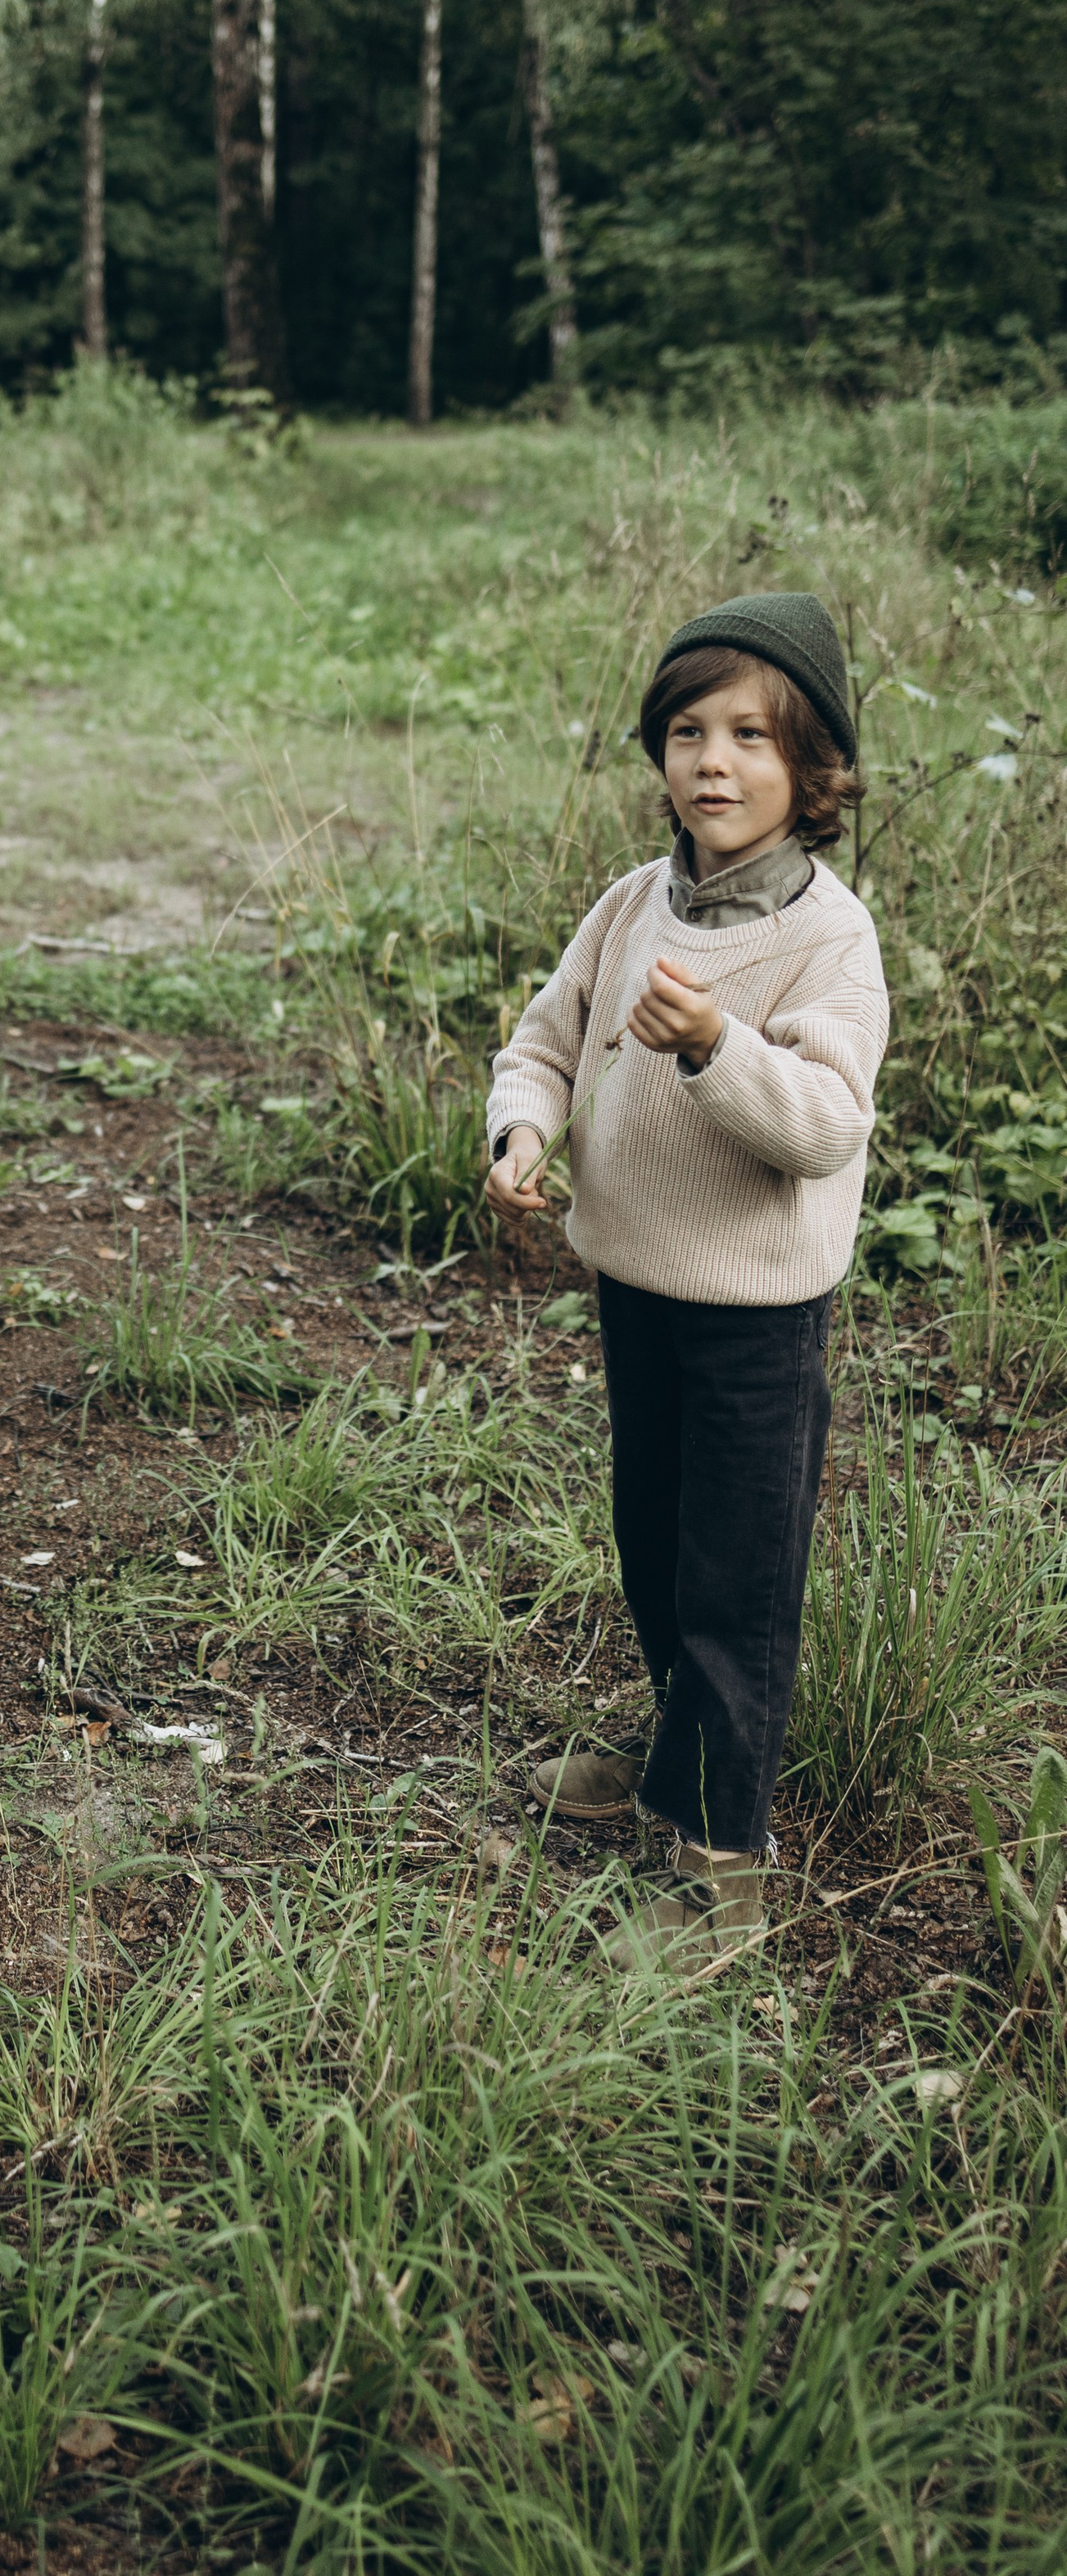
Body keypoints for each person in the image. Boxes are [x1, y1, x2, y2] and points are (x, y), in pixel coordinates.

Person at [485, 593, 888, 1967]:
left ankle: (723, 1864)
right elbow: (546, 1038)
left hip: (756, 1318)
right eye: (687, 732)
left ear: (813, 769)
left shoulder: (828, 941)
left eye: (750, 737)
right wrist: (522, 1127)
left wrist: (719, 1046)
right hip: (638, 1284)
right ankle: (671, 1760)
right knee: (654, 1547)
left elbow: (826, 1127)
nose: (712, 763)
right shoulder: (630, 905)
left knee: (737, 1577)